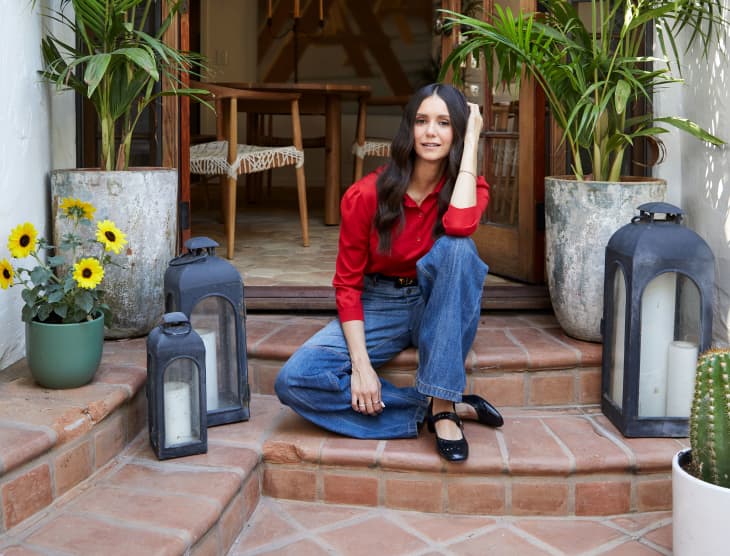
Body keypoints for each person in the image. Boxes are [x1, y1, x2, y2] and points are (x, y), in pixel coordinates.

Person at [275, 83, 503, 462]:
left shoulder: (469, 189)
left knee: (459, 249)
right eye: (422, 121)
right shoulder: (367, 195)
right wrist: (362, 367)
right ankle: (435, 408)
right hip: (383, 302)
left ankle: (443, 403)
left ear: (458, 133)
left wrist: (474, 136)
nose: (431, 132)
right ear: (408, 129)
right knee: (294, 380)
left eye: (445, 123)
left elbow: (460, 226)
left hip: (439, 301)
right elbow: (347, 285)